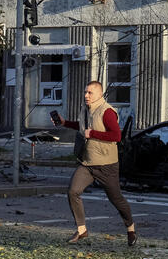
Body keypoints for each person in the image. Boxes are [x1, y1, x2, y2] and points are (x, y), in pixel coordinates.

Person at [53, 81, 137, 246]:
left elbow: (116, 136)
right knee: (73, 191)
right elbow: (82, 127)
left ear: (99, 94)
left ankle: (131, 229)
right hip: (87, 163)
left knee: (116, 199)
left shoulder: (107, 112)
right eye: (85, 92)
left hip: (107, 165)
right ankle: (82, 229)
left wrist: (93, 134)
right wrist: (64, 122)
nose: (86, 95)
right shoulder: (86, 110)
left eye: (90, 93)